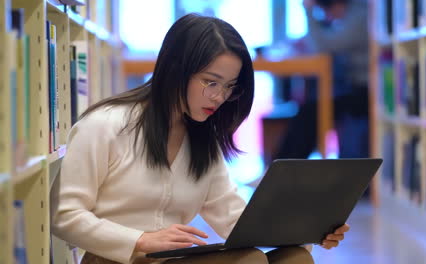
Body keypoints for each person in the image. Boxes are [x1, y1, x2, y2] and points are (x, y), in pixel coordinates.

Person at [50, 13, 350, 264]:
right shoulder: (105, 125)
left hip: (168, 261)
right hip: (111, 261)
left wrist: (309, 231)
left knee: (295, 257)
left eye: (230, 86)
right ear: (176, 69)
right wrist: (140, 239)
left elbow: (235, 217)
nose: (220, 97)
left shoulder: (201, 138)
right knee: (250, 261)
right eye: (211, 82)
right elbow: (64, 215)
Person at [274, 0, 369, 160]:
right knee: (309, 110)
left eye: (325, 12)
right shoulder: (354, 15)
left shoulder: (360, 15)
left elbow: (322, 47)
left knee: (310, 112)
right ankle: (280, 167)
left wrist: (308, 12)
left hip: (365, 91)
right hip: (352, 88)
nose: (328, 17)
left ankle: (281, 168)